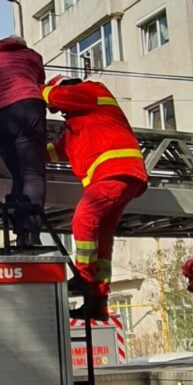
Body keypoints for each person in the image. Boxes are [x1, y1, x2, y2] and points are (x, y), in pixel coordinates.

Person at [43, 74, 147, 318]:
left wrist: (31, 88)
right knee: (101, 240)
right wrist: (25, 154)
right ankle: (97, 301)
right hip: (121, 177)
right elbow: (54, 152)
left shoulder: (92, 91)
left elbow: (58, 96)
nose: (58, 111)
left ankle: (84, 277)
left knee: (83, 219)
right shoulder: (76, 127)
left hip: (116, 171)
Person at [0, 35, 47, 248]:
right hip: (27, 108)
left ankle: (19, 231)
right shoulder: (31, 56)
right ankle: (30, 234)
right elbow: (39, 82)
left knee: (15, 175)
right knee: (32, 174)